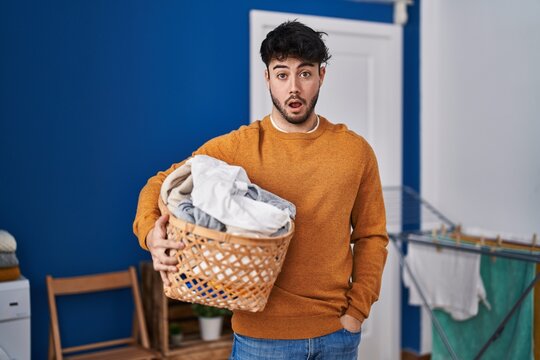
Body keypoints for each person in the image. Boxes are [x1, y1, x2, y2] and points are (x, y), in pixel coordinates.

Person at [134, 20, 388, 360]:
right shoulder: (237, 148)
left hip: (337, 337)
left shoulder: (355, 152)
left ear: (321, 76)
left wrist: (356, 312)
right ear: (267, 78)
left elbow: (372, 236)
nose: (294, 88)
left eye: (305, 73)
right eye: (282, 74)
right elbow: (160, 184)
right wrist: (151, 234)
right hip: (261, 340)